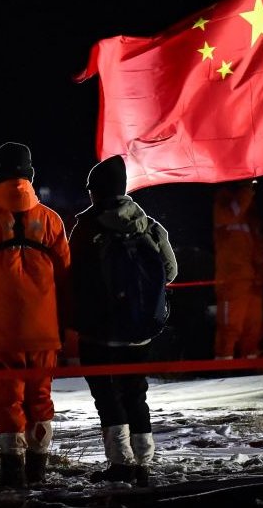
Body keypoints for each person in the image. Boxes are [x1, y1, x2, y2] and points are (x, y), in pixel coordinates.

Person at [0, 141, 71, 488]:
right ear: (31, 176)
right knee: (40, 397)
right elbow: (67, 281)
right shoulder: (51, 220)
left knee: (7, 400)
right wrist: (67, 327)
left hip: (0, 330)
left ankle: (11, 471)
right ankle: (38, 468)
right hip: (44, 331)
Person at [67, 155, 178, 486]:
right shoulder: (149, 225)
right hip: (139, 332)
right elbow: (169, 271)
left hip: (98, 332)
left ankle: (120, 463)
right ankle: (143, 463)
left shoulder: (86, 228)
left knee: (107, 396)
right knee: (135, 393)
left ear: (96, 192)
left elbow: (74, 279)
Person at [212, 179, 263, 359]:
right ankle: (223, 370)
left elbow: (258, 245)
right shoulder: (223, 203)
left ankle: (250, 369)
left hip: (252, 280)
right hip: (232, 280)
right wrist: (247, 191)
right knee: (230, 328)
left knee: (253, 328)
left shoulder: (249, 214)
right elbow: (230, 214)